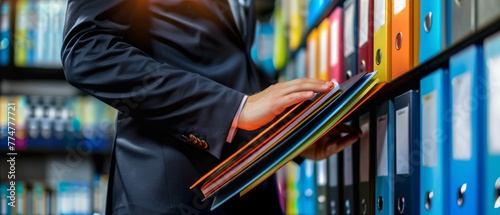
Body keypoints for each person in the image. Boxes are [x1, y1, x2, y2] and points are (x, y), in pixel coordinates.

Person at [61, 0, 362, 214]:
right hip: (174, 192)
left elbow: (220, 65)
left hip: (247, 187)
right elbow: (87, 51)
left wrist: (288, 135)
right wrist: (234, 110)